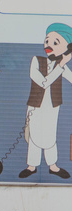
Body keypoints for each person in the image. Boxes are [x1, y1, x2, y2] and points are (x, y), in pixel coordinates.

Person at [19, 23, 72, 179]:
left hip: (52, 106)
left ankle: (53, 166)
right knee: (34, 135)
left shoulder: (60, 65)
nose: (49, 45)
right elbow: (43, 83)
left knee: (50, 136)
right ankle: (31, 166)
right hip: (35, 105)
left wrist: (62, 64)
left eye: (56, 42)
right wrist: (61, 64)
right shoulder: (36, 60)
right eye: (47, 41)